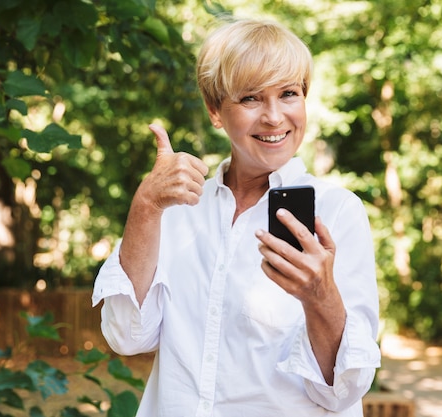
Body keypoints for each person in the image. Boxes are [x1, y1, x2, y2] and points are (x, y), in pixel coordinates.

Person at [92, 17, 381, 417]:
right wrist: (145, 206)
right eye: (251, 99)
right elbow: (126, 336)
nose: (275, 117)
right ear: (215, 110)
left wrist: (320, 297)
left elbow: (342, 391)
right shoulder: (176, 208)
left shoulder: (338, 211)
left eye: (289, 94)